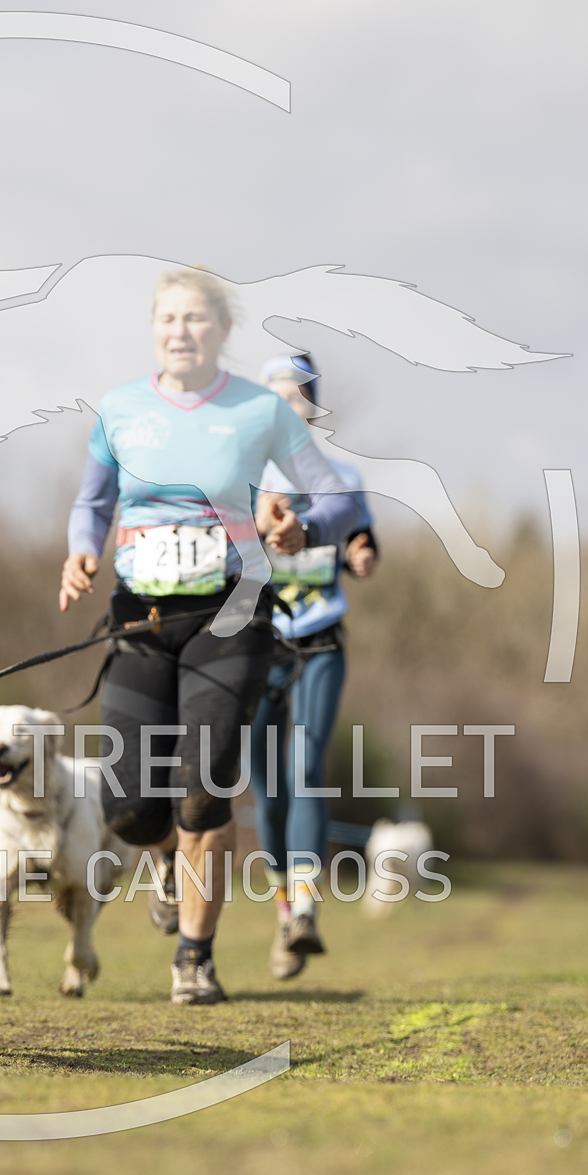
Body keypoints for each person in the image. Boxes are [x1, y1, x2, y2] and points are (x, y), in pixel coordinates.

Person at [60, 270, 362, 1004]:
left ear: (222, 330)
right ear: (153, 327)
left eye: (195, 318)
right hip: (141, 616)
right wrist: (81, 551)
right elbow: (92, 502)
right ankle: (167, 857)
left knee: (203, 791)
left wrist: (301, 526)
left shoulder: (259, 410)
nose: (180, 330)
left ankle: (194, 956)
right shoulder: (121, 408)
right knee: (130, 810)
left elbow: (337, 496)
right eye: (168, 317)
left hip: (232, 613)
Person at [246, 354, 378, 980]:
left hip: (320, 636)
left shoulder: (339, 475)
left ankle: (305, 907)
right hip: (257, 642)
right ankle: (283, 909)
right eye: (276, 396)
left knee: (304, 765)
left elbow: (360, 535)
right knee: (266, 788)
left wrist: (360, 554)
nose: (288, 406)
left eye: (299, 395)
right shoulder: (241, 476)